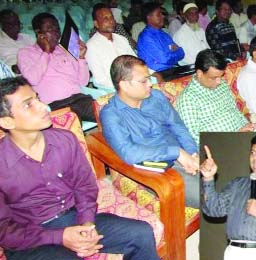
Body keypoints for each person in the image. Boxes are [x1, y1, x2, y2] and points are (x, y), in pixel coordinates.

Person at [0, 76, 159, 260]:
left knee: (141, 233)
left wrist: (87, 223)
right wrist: (60, 236)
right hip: (31, 236)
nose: (43, 106)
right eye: (28, 105)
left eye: (38, 98)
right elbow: (4, 230)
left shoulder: (65, 140)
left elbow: (85, 186)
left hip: (73, 216)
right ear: (7, 122)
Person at [100, 55, 199, 208]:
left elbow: (178, 126)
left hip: (183, 154)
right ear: (125, 85)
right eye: (143, 81)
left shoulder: (156, 97)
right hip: (159, 168)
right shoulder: (111, 114)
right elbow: (130, 153)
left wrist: (193, 153)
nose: (150, 85)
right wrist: (177, 152)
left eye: (149, 79)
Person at [17, 13, 95, 122]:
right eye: (50, 28)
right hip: (55, 106)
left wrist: (81, 58)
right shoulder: (26, 53)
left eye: (57, 28)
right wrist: (46, 52)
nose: (56, 32)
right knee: (73, 127)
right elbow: (32, 79)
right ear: (38, 32)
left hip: (79, 99)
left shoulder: (64, 50)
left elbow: (83, 81)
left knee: (108, 114)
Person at [176, 49, 256, 145]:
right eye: (214, 78)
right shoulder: (188, 99)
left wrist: (248, 125)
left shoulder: (222, 85)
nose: (219, 81)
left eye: (221, 76)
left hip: (243, 136)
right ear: (199, 74)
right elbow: (194, 139)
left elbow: (234, 110)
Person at [86, 3, 137, 90]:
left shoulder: (121, 39)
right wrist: (124, 86)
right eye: (105, 18)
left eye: (111, 17)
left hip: (133, 82)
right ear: (96, 24)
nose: (111, 21)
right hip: (113, 89)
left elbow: (135, 62)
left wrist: (150, 73)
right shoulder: (91, 46)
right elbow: (100, 80)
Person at [137, 2, 185, 72]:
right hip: (158, 75)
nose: (163, 16)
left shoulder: (164, 34)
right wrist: (176, 52)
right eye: (159, 14)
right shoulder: (145, 37)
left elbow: (182, 53)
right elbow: (164, 59)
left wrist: (176, 52)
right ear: (149, 17)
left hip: (172, 70)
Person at [0, 9, 34, 74]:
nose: (16, 26)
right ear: (2, 24)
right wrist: (11, 68)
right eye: (11, 24)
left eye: (17, 23)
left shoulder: (27, 38)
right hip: (11, 76)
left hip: (34, 70)